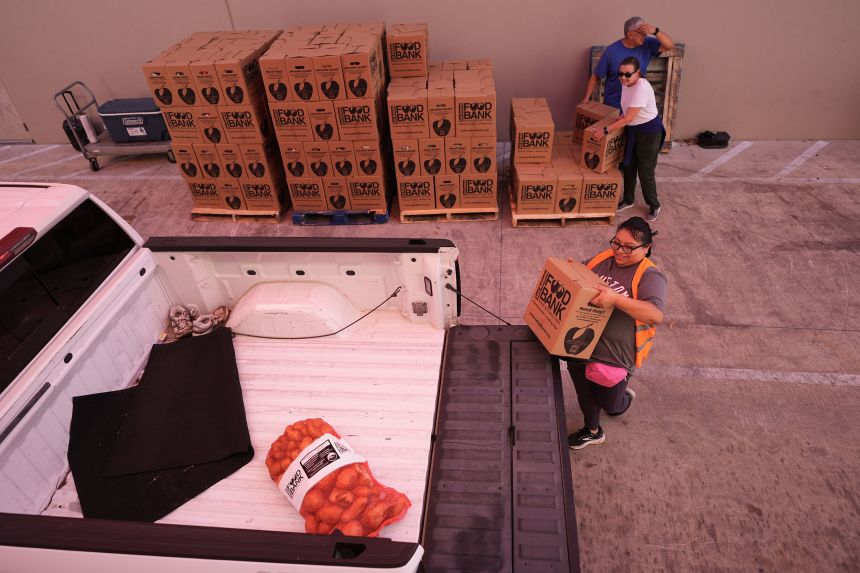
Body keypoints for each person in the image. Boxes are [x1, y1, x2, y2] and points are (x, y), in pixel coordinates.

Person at [567, 216, 667, 450]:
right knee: (585, 392)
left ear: (646, 248)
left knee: (609, 404)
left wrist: (615, 299)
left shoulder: (650, 276)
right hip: (582, 341)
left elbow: (655, 315)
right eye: (616, 243)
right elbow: (583, 275)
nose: (620, 251)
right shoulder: (604, 258)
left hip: (614, 355)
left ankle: (622, 401)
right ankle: (592, 430)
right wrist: (572, 271)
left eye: (629, 247)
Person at [585, 56, 665, 222]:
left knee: (645, 171)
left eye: (628, 74)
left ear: (638, 73)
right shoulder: (626, 83)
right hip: (633, 129)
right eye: (620, 73)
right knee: (628, 166)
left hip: (649, 133)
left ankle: (654, 205)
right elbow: (629, 111)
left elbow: (629, 118)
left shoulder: (641, 88)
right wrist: (621, 116)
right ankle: (628, 199)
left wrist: (604, 131)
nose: (623, 77)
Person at [581, 17, 674, 110]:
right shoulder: (611, 51)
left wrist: (655, 31)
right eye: (642, 33)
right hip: (613, 108)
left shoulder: (647, 44)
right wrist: (586, 98)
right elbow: (596, 75)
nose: (645, 36)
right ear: (631, 34)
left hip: (635, 108)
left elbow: (669, 46)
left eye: (646, 33)